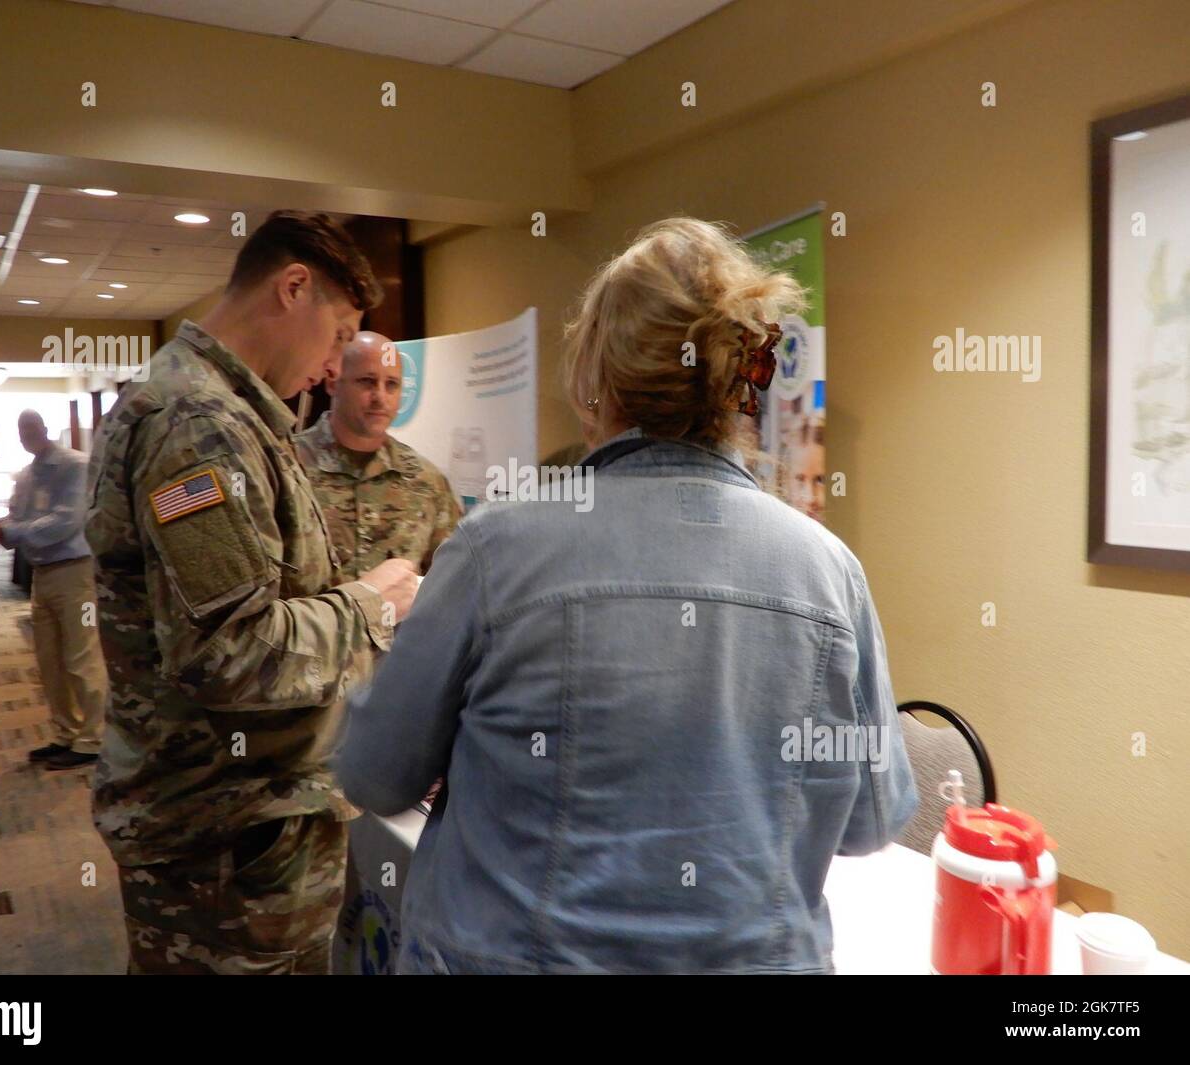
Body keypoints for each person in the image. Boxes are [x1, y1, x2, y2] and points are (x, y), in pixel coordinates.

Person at [338, 217, 918, 974]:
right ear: (742, 379)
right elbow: (872, 822)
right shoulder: (830, 571)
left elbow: (375, 774)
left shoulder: (495, 550)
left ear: (595, 379)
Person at [84, 210, 420, 975]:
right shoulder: (199, 425)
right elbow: (231, 652)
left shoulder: (226, 411)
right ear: (292, 287)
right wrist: (370, 605)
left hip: (240, 824)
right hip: (226, 837)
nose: (338, 368)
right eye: (339, 337)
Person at [0, 411, 108, 770]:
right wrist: (1, 528)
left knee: (81, 658)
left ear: (45, 429)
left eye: (31, 428)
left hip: (75, 573)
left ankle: (94, 739)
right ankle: (66, 733)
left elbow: (66, 522)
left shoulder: (75, 466)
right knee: (49, 661)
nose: (26, 435)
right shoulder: (28, 475)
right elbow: (16, 517)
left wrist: (10, 532)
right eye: (21, 430)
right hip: (42, 575)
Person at [295, 330, 462, 580]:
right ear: (333, 383)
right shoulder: (289, 466)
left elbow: (452, 580)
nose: (380, 398)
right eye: (367, 381)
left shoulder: (425, 481)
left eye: (391, 384)